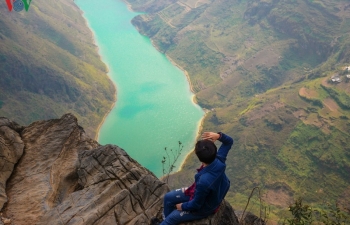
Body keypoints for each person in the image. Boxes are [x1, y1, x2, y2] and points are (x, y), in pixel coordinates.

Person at [151, 132, 234, 225]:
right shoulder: (219, 159)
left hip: (206, 207)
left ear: (200, 158)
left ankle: (167, 222)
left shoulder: (204, 182)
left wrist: (182, 206)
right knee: (168, 197)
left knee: (173, 216)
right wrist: (218, 136)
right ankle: (165, 220)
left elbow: (196, 204)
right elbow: (229, 142)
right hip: (206, 194)